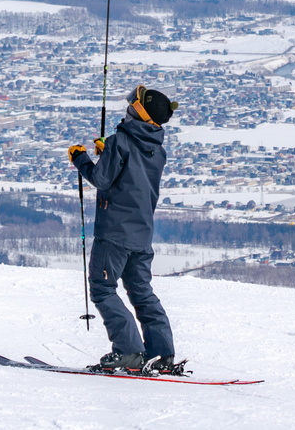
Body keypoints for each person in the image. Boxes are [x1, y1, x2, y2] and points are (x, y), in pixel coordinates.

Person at [68, 85, 182, 375]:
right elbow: (133, 173)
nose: (129, 103)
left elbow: (102, 179)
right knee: (142, 292)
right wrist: (109, 153)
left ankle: (129, 351)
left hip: (114, 233)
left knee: (103, 288)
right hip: (142, 235)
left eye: (133, 101)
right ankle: (162, 355)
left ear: (137, 110)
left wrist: (81, 158)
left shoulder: (121, 141)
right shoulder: (157, 150)